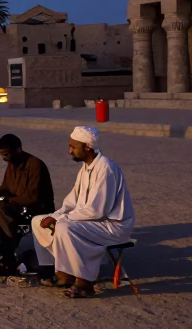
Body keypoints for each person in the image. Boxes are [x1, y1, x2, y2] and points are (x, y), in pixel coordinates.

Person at [31, 126, 134, 298]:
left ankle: (85, 282)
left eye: (73, 146)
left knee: (65, 226)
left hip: (112, 226)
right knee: (37, 221)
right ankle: (60, 271)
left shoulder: (106, 168)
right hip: (89, 220)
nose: (69, 150)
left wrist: (61, 219)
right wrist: (53, 217)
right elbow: (71, 203)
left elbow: (97, 210)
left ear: (87, 146)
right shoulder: (85, 169)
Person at [0, 133, 55, 274]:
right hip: (13, 204)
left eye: (6, 154)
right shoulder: (12, 164)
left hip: (32, 208)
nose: (4, 158)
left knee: (0, 208)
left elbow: (32, 198)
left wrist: (6, 200)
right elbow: (6, 188)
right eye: (2, 155)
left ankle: (7, 250)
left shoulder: (35, 165)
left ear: (18, 150)